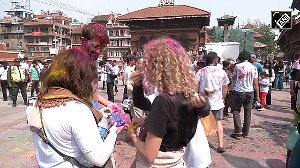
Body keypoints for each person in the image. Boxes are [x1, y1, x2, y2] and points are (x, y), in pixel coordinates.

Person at [32, 48, 123, 168]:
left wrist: (99, 114)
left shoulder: (40, 102)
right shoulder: (76, 109)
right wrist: (113, 132)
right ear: (81, 78)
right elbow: (99, 158)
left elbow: (64, 129)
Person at [127, 38, 210, 167]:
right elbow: (171, 123)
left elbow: (149, 155)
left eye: (148, 65)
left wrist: (132, 135)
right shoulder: (186, 94)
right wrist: (147, 121)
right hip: (177, 161)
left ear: (158, 68)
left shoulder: (163, 100)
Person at [196, 51, 229, 153]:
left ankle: (203, 143)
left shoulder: (201, 72)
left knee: (202, 123)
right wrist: (223, 97)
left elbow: (195, 85)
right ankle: (221, 144)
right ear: (216, 61)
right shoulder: (222, 71)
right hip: (217, 102)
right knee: (218, 122)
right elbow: (225, 86)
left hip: (203, 102)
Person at [81, 22, 114, 107]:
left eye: (102, 48)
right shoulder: (75, 62)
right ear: (83, 41)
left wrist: (109, 104)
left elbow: (93, 91)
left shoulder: (93, 60)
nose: (98, 52)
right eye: (95, 46)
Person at [231, 51, 259, 138]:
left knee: (235, 110)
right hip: (250, 92)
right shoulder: (253, 68)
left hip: (239, 91)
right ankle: (246, 132)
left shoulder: (237, 66)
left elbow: (234, 78)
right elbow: (255, 83)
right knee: (247, 112)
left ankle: (238, 130)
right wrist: (257, 95)